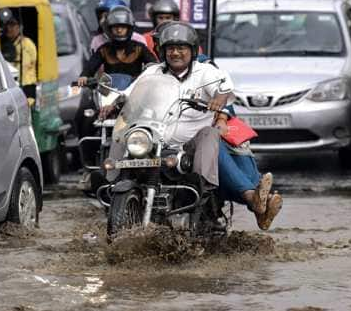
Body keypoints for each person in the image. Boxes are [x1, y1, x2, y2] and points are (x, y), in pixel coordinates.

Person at [103, 22, 282, 230]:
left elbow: (224, 87)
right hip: (153, 140)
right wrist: (111, 104)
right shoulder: (152, 72)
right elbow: (128, 94)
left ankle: (219, 191)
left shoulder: (205, 72)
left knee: (209, 133)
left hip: (190, 146)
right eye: (170, 48)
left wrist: (219, 99)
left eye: (181, 48)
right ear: (163, 51)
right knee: (126, 145)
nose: (175, 53)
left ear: (192, 50)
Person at [75, 6, 157, 90]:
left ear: (129, 28)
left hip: (134, 93)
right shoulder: (104, 50)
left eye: (123, 27)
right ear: (109, 29)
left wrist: (150, 72)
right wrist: (84, 76)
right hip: (109, 94)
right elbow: (91, 65)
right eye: (115, 27)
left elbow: (154, 65)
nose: (119, 30)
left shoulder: (139, 48)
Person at [2, 17, 37, 106]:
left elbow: (33, 59)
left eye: (13, 26)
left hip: (27, 84)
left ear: (19, 28)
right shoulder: (3, 45)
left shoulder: (27, 43)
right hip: (12, 84)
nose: (10, 29)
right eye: (8, 26)